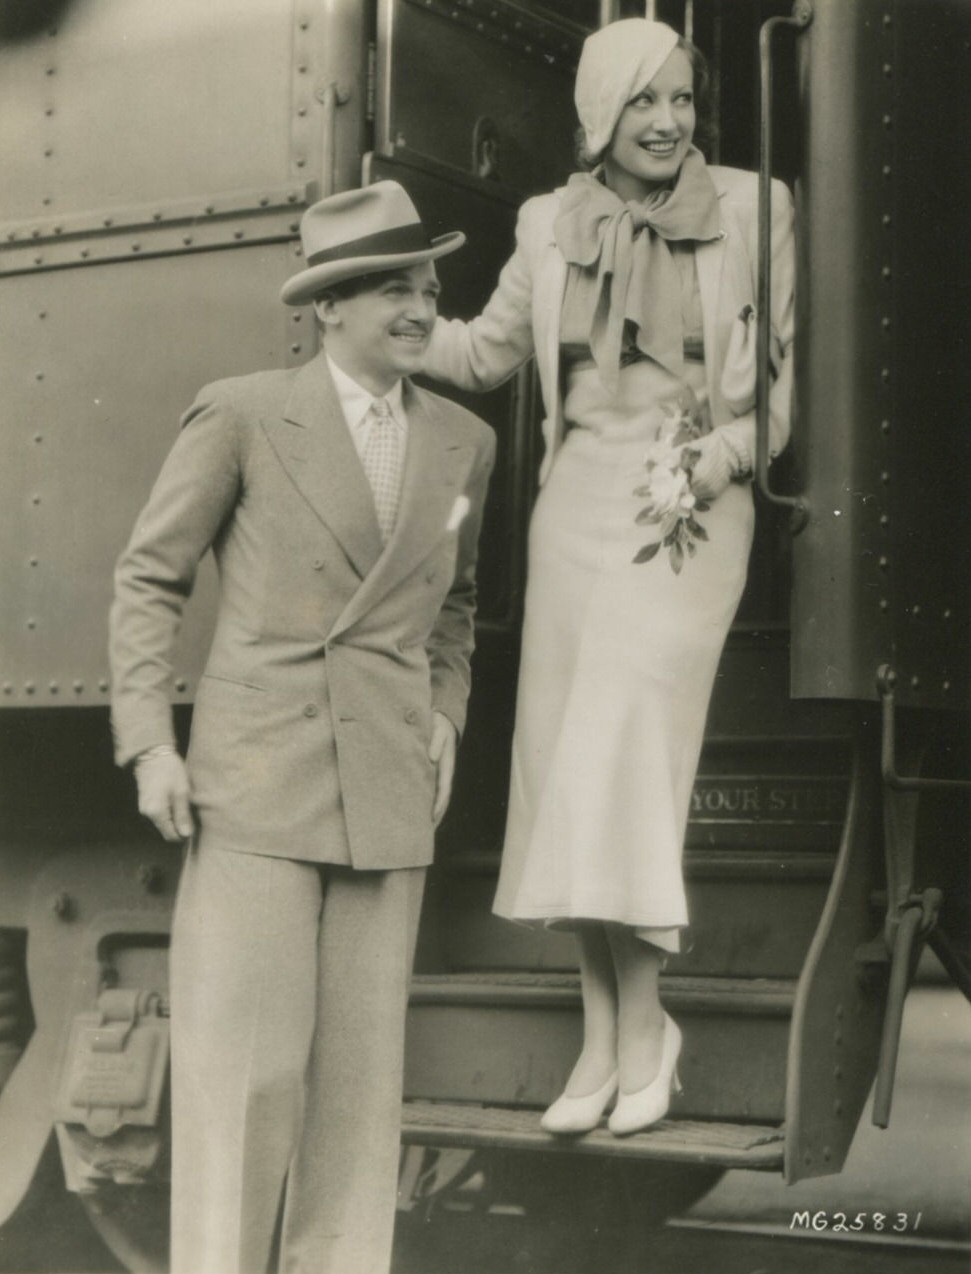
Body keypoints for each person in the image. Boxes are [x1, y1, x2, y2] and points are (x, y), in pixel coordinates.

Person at [108, 180, 495, 1274]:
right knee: (244, 1084)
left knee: (357, 1108)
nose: (419, 309)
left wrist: (447, 712)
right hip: (257, 783)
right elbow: (149, 578)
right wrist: (151, 742)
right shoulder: (240, 413)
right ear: (328, 305)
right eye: (392, 289)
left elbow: (455, 604)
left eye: (429, 290)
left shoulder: (462, 442)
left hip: (388, 786)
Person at [422, 18, 794, 1137]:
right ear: (598, 112)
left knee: (618, 755)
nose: (668, 122)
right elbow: (482, 353)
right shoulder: (548, 222)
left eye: (680, 98)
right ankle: (603, 1033)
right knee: (562, 767)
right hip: (574, 508)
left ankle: (644, 1025)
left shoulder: (756, 209)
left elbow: (788, 390)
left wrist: (727, 455)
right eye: (642, 102)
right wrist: (376, 320)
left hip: (688, 504)